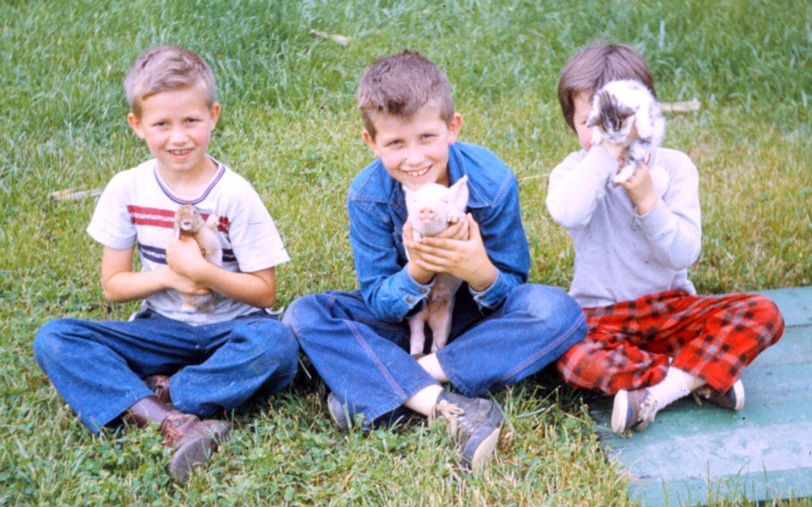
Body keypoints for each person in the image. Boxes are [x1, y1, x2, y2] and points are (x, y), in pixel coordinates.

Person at [283, 50, 586, 470]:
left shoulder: (491, 182)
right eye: (395, 143)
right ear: (371, 143)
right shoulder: (367, 194)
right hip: (403, 323)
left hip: (475, 321)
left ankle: (395, 385)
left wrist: (478, 270)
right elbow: (376, 298)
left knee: (558, 311)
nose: (414, 158)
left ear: (452, 128)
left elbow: (514, 284)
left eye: (427, 137)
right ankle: (450, 406)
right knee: (306, 314)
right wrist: (418, 271)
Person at [33, 45, 298, 482]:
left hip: (233, 329)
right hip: (161, 328)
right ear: (137, 126)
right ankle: (175, 421)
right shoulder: (127, 188)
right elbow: (113, 286)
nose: (179, 137)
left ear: (213, 115)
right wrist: (173, 275)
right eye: (162, 124)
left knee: (279, 349)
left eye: (191, 121)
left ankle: (160, 393)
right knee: (55, 339)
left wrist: (204, 274)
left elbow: (265, 292)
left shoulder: (235, 194)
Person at [546, 43, 784, 436]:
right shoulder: (574, 171)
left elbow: (683, 254)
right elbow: (567, 212)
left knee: (764, 312)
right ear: (572, 121)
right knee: (572, 360)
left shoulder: (675, 167)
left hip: (673, 308)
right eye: (593, 122)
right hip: (603, 315)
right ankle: (699, 375)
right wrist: (605, 153)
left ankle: (660, 389)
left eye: (620, 121)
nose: (608, 134)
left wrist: (647, 200)